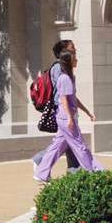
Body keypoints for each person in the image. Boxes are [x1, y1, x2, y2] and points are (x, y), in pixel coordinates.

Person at [34, 50, 103, 183]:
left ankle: (41, 173)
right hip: (66, 119)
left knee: (57, 146)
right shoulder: (65, 78)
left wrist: (87, 111)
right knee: (80, 146)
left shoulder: (70, 77)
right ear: (69, 62)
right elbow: (64, 100)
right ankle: (93, 172)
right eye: (74, 58)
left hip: (65, 118)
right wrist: (71, 118)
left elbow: (73, 99)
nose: (76, 60)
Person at [32, 40, 79, 173]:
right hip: (63, 111)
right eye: (72, 47)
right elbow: (62, 93)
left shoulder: (63, 66)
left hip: (66, 109)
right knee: (66, 140)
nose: (75, 49)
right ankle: (41, 160)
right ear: (64, 50)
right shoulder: (59, 68)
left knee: (67, 141)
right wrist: (69, 113)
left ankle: (74, 170)